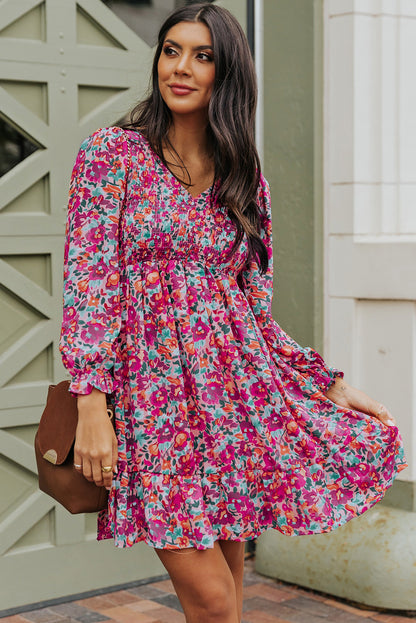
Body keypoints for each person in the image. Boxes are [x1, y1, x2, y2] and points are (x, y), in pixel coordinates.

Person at [58, 3, 407, 622]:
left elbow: (252, 311)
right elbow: (88, 280)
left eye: (203, 55)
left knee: (230, 604)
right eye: (171, 51)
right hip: (153, 404)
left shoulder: (244, 176)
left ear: (228, 74)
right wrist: (91, 401)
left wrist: (325, 382)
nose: (181, 68)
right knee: (214, 602)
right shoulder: (113, 156)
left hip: (231, 405)